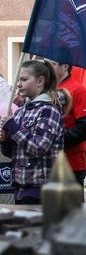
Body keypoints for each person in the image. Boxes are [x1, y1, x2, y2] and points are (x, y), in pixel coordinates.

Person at [0, 60, 65, 204]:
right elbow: (12, 153)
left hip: (41, 190)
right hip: (20, 187)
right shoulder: (20, 112)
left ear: (40, 81)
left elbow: (39, 147)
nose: (18, 84)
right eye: (18, 80)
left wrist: (14, 128)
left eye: (24, 80)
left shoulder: (49, 110)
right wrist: (5, 140)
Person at [49, 61, 86, 188]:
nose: (48, 66)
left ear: (65, 66)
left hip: (71, 164)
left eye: (52, 63)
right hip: (47, 164)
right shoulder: (46, 90)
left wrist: (54, 141)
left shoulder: (78, 90)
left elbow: (85, 128)